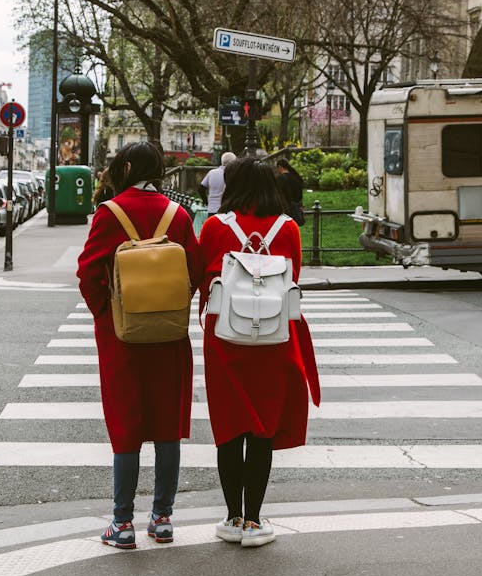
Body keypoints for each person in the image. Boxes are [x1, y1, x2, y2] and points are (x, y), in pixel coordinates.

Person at [76, 141, 203, 550]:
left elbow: (87, 271)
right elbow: (196, 269)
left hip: (123, 337)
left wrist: (108, 314)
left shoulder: (109, 214)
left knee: (126, 425)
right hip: (168, 334)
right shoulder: (177, 214)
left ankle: (122, 522)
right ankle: (163, 518)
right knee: (168, 425)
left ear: (127, 166)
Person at [198, 156, 321, 548]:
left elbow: (204, 281)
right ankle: (254, 521)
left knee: (229, 427)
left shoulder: (216, 226)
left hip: (225, 340)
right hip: (274, 338)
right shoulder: (288, 228)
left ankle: (232, 515)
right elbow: (294, 279)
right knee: (263, 428)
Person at [275, 158, 306, 226]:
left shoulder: (280, 178)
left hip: (286, 210)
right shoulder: (296, 177)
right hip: (297, 207)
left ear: (280, 167)